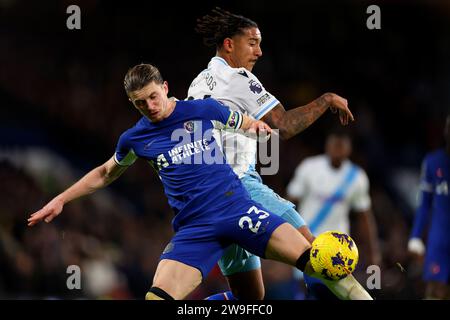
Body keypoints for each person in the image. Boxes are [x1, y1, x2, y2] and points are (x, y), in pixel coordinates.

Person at [27, 64, 371, 300]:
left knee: (316, 262)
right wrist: (60, 199)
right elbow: (104, 173)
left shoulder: (202, 110)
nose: (149, 107)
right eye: (139, 103)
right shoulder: (135, 139)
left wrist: (259, 127)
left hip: (238, 208)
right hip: (195, 228)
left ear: (164, 88)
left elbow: (243, 120)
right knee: (157, 296)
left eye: (153, 97)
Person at [188, 7, 360, 300]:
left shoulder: (198, 82)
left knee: (249, 298)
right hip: (240, 186)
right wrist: (327, 99)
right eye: (252, 43)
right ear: (229, 44)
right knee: (319, 255)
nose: (259, 52)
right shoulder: (238, 78)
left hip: (207, 198)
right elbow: (284, 126)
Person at [287, 130, 381, 299]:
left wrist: (373, 253)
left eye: (341, 145)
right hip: (308, 242)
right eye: (334, 144)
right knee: (303, 291)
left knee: (335, 295)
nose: (337, 149)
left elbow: (364, 217)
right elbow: (288, 204)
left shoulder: (356, 177)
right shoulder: (309, 167)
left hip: (339, 251)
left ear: (349, 149)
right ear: (327, 145)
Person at [408, 113, 450, 299]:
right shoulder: (433, 162)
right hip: (439, 241)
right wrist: (416, 236)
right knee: (435, 292)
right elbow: (424, 203)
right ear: (446, 131)